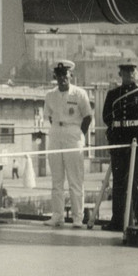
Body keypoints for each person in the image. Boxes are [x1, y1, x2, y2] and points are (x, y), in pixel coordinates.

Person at [101, 60, 138, 231]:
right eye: (125, 72)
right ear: (120, 75)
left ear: (136, 74)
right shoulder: (113, 94)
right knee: (119, 181)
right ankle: (118, 221)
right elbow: (106, 116)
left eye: (131, 72)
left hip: (135, 140)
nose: (128, 75)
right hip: (119, 140)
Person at [42, 60, 93, 228]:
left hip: (73, 133)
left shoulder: (79, 94)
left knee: (75, 179)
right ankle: (57, 216)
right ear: (55, 76)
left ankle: (78, 218)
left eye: (65, 75)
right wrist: (59, 130)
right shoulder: (50, 95)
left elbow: (87, 116)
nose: (62, 78)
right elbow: (49, 116)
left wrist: (79, 134)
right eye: (59, 75)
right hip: (56, 133)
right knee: (57, 179)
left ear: (71, 75)